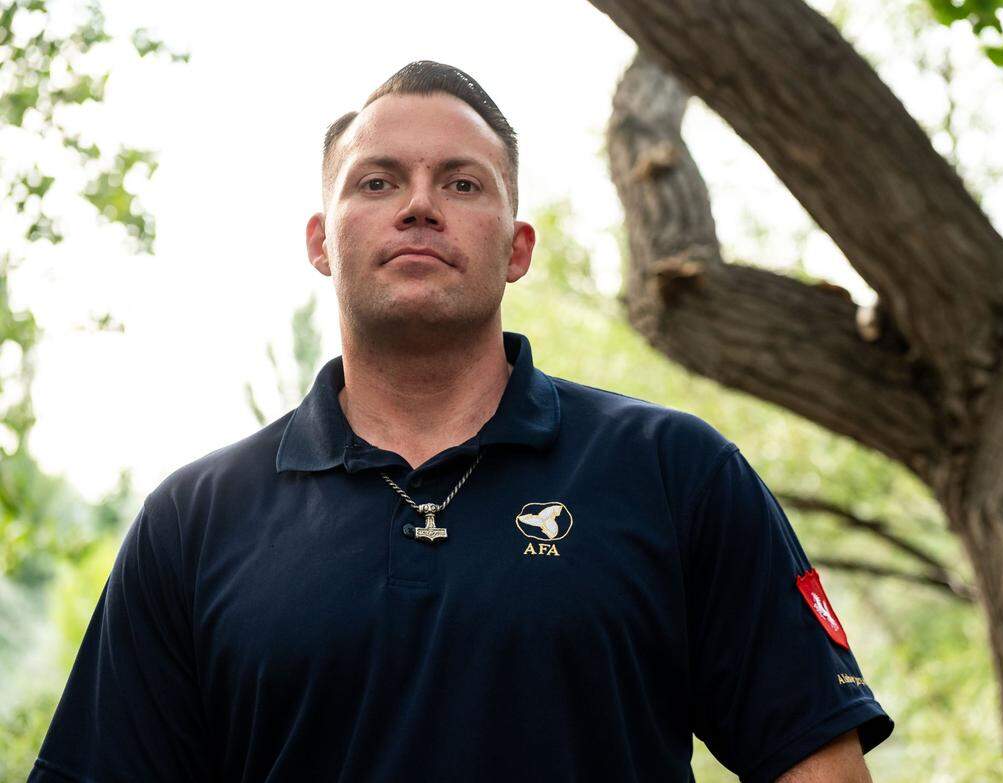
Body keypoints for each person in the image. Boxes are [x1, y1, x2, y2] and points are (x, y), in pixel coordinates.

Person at [29, 61, 892, 782]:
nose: (418, 204)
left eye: (461, 183)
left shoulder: (675, 470)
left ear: (517, 248)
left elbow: (817, 764)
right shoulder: (193, 520)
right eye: (377, 181)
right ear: (321, 242)